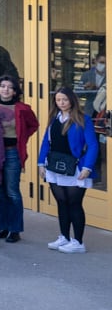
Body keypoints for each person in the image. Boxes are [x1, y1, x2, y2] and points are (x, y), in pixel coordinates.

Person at [38, 87, 98, 253]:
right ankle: (64, 237)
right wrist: (41, 163)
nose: (61, 103)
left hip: (76, 168)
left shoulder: (83, 119)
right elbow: (45, 142)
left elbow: (93, 145)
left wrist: (87, 167)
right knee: (62, 203)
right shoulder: (53, 119)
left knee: (74, 204)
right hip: (55, 166)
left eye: (64, 99)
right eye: (58, 100)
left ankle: (78, 242)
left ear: (72, 100)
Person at [0, 74, 38, 244]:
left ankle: (15, 229)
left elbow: (33, 125)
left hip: (12, 153)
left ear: (15, 91)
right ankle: (3, 226)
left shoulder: (22, 108)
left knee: (12, 191)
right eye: (2, 86)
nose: (6, 89)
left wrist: (21, 137)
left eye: (10, 87)